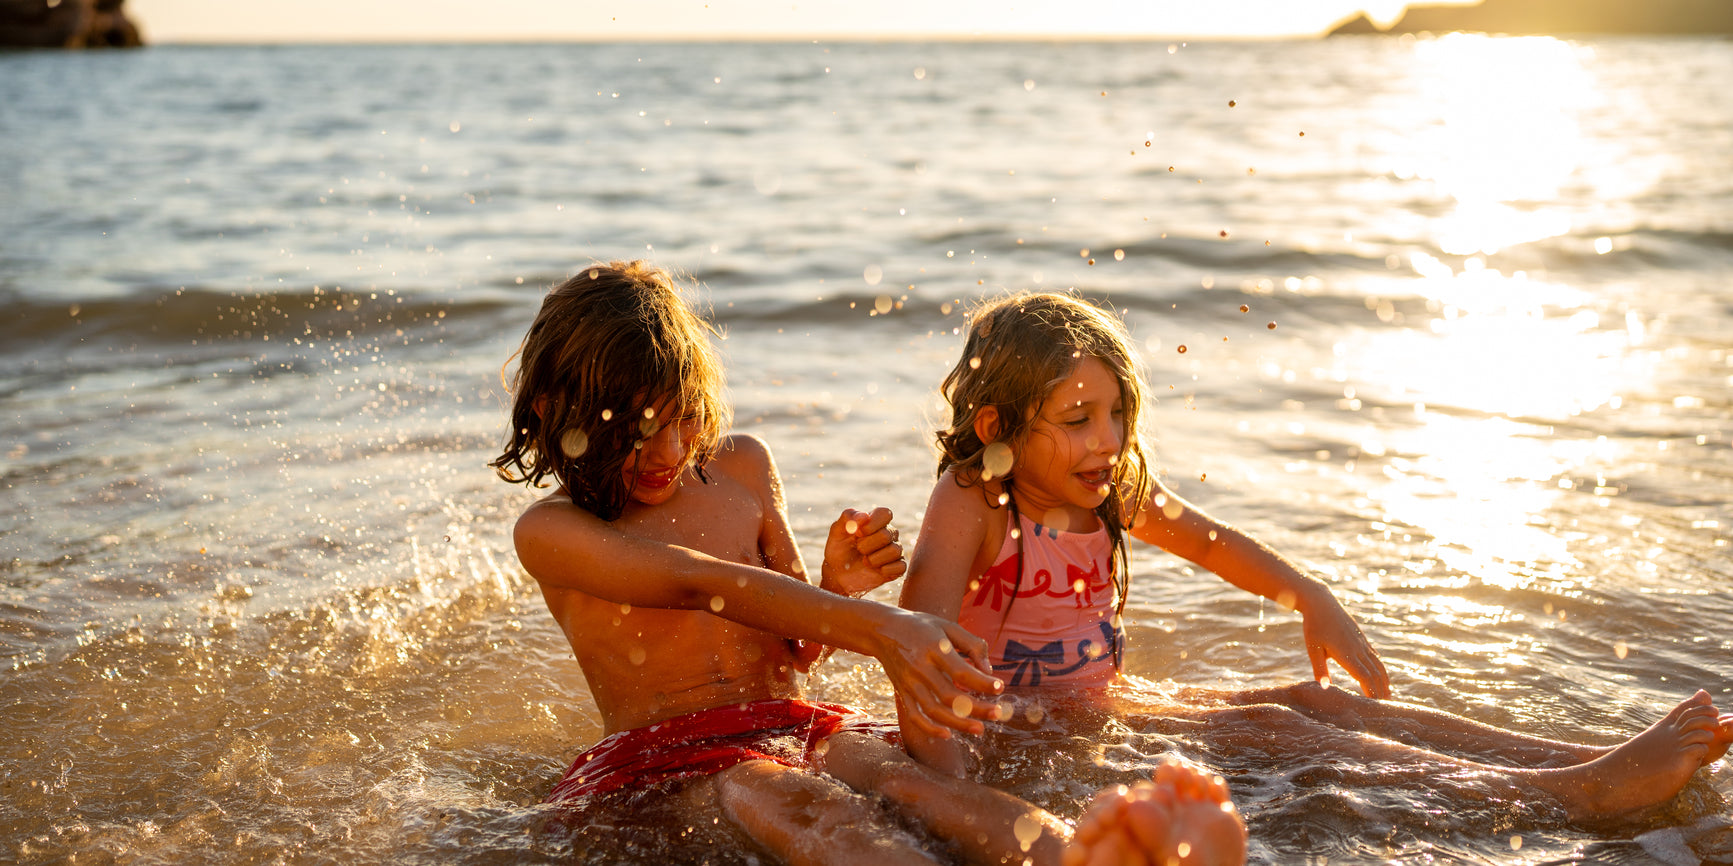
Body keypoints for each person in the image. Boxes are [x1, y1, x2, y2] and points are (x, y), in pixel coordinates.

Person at [492, 262, 1249, 866]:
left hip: (791, 721)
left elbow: (793, 649)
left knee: (914, 786)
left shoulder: (742, 467)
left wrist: (836, 588)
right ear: (558, 412)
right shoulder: (553, 529)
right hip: (670, 759)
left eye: (683, 417)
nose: (666, 450)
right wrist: (881, 626)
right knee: (807, 806)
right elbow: (702, 583)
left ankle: (1083, 855)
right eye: (633, 430)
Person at [897, 289, 1733, 822]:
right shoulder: (973, 500)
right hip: (1018, 731)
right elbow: (918, 640)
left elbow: (1211, 542)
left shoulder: (1107, 490)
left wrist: (1310, 596)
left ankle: (1577, 757)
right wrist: (953, 786)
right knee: (1273, 726)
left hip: (1087, 705)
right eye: (1077, 420)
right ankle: (1569, 796)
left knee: (1313, 700)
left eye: (1116, 415)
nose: (1108, 440)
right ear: (997, 426)